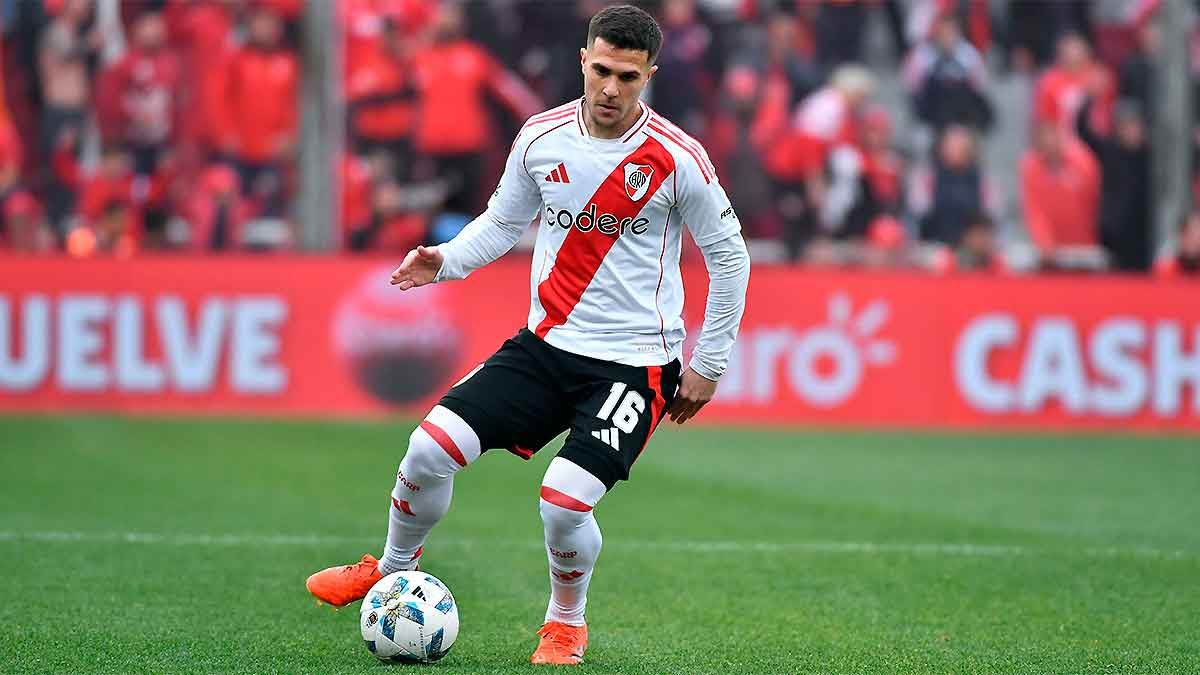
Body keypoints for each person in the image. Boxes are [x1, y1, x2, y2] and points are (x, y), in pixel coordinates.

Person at [305, 5, 750, 666]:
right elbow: (501, 222)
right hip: (543, 350)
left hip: (633, 367)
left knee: (564, 503)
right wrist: (445, 261)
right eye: (602, 71)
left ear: (649, 75)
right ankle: (391, 572)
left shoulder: (678, 157)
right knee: (426, 451)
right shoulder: (541, 137)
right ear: (583, 60)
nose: (610, 89)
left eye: (628, 77)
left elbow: (729, 258)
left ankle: (565, 623)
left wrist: (708, 363)